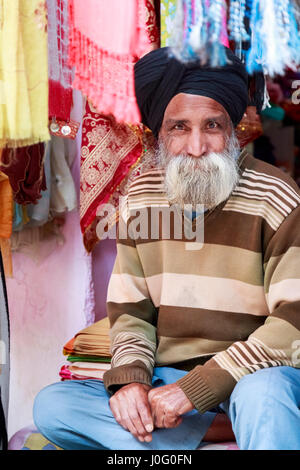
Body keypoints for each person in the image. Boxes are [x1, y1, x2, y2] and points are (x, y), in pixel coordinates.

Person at [33, 47, 300, 450]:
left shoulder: (276, 194)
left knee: (264, 396)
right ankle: (220, 432)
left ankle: (205, 430)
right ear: (159, 134)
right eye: (179, 127)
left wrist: (200, 389)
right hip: (169, 381)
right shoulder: (141, 197)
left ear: (233, 130)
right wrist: (131, 383)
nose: (197, 146)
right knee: (53, 406)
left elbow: (293, 320)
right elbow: (132, 312)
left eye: (212, 125)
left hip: (254, 378)